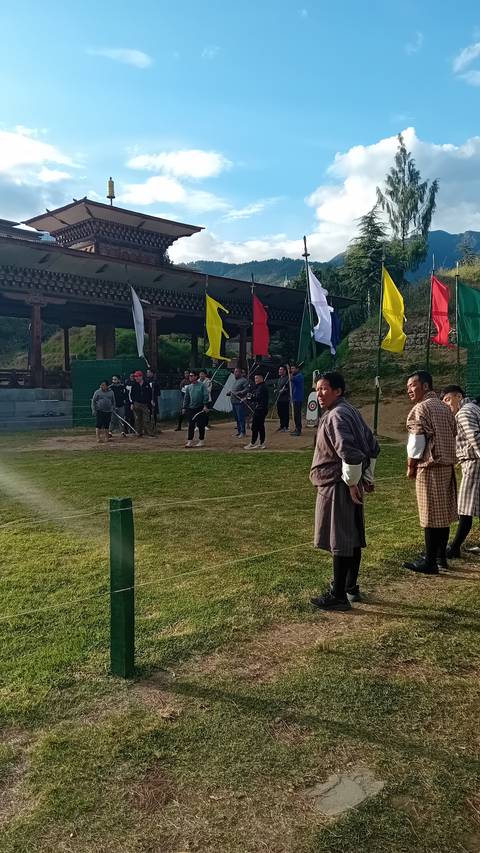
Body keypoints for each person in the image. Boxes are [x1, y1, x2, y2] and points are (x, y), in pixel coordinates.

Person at [309, 371, 379, 610]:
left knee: (340, 538)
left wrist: (351, 483)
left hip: (339, 485)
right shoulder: (352, 411)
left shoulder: (336, 415)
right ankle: (350, 587)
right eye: (317, 389)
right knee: (352, 536)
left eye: (324, 389)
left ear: (338, 391)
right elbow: (372, 446)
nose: (319, 393)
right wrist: (365, 478)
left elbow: (348, 451)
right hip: (350, 481)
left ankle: (338, 595)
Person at [404, 370, 457, 574]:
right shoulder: (445, 408)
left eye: (413, 385)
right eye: (408, 386)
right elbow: (453, 432)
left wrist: (411, 466)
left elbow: (417, 441)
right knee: (442, 516)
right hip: (447, 466)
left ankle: (429, 562)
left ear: (425, 386)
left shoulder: (421, 408)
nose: (409, 389)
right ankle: (440, 556)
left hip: (430, 466)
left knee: (429, 516)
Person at [442, 385, 480, 557]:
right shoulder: (474, 408)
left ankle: (454, 547)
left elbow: (476, 438)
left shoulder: (464, 413)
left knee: (465, 507)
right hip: (472, 462)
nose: (447, 404)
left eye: (448, 399)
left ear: (458, 396)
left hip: (474, 463)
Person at [183, 370, 209, 448]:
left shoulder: (202, 386)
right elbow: (186, 398)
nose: (190, 377)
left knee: (201, 425)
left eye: (192, 376)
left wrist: (205, 405)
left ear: (196, 376)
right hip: (191, 408)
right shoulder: (189, 387)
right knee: (191, 425)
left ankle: (201, 441)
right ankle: (189, 441)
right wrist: (184, 407)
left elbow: (205, 395)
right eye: (190, 376)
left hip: (200, 407)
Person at [244, 372, 269, 450]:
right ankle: (261, 443)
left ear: (261, 378)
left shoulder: (262, 387)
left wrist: (250, 398)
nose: (256, 380)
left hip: (260, 409)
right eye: (255, 378)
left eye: (257, 378)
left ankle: (252, 443)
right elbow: (254, 394)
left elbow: (257, 397)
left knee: (255, 426)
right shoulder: (259, 386)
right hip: (260, 408)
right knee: (260, 426)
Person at [130, 370, 153, 437]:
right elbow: (132, 395)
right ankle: (138, 433)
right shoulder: (134, 385)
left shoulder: (146, 384)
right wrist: (132, 403)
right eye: (135, 376)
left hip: (145, 404)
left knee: (146, 419)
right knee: (137, 419)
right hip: (136, 403)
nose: (136, 378)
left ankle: (149, 432)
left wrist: (150, 401)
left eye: (137, 376)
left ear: (141, 376)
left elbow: (150, 394)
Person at [228, 367, 249, 438]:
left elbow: (247, 389)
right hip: (233, 402)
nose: (235, 373)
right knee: (237, 418)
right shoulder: (236, 381)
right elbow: (233, 390)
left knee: (241, 418)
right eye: (234, 372)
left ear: (240, 373)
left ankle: (243, 432)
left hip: (240, 402)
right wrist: (230, 393)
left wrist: (239, 393)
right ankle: (239, 431)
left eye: (236, 372)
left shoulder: (244, 380)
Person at [290, 364, 304, 436]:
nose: (292, 370)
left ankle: (298, 429)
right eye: (291, 368)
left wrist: (290, 374)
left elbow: (292, 379)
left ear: (297, 369)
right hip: (294, 398)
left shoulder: (299, 376)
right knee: (295, 415)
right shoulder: (296, 376)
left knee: (297, 414)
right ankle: (296, 428)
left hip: (298, 398)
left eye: (293, 368)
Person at [276, 365, 290, 432]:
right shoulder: (279, 379)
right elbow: (279, 388)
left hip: (285, 399)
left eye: (281, 369)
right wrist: (276, 390)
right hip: (279, 398)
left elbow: (289, 388)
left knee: (285, 413)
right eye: (279, 370)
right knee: (280, 413)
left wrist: (284, 390)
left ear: (285, 371)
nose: (279, 371)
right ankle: (282, 426)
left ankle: (286, 426)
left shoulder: (288, 378)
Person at [146, 368, 161, 433]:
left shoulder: (155, 381)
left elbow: (158, 392)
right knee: (147, 413)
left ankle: (154, 426)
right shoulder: (146, 380)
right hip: (147, 399)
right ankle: (148, 427)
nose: (147, 373)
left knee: (154, 413)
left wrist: (154, 399)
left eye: (149, 372)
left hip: (153, 399)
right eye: (147, 372)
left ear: (152, 373)